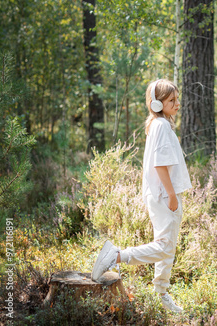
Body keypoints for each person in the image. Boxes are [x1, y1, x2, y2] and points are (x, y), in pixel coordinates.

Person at [91, 78, 192, 313]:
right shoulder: (161, 126)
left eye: (177, 99)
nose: (177, 104)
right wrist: (171, 195)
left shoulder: (159, 124)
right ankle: (117, 255)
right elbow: (160, 165)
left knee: (167, 246)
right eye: (171, 100)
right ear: (157, 104)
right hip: (164, 195)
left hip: (162, 194)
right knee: (165, 247)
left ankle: (161, 292)